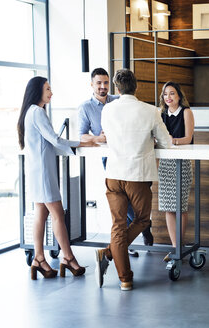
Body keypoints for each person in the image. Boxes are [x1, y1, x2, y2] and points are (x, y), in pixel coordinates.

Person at [95, 69, 171, 291]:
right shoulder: (150, 110)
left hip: (113, 174)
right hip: (137, 175)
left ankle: (125, 279)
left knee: (118, 225)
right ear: (136, 87)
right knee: (142, 220)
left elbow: (108, 136)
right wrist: (152, 141)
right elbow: (166, 143)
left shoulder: (107, 109)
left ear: (117, 89)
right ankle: (109, 253)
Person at [17, 76, 98, 280]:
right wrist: (81, 143)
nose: (51, 93)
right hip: (44, 172)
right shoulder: (37, 112)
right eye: (48, 89)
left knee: (41, 215)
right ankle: (68, 258)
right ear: (37, 91)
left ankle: (39, 259)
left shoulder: (31, 112)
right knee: (58, 214)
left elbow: (49, 142)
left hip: (37, 171)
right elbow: (54, 139)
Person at [78, 67, 153, 257]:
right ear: (91, 85)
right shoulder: (85, 108)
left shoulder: (119, 100)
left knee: (131, 196)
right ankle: (139, 229)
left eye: (105, 83)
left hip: (131, 155)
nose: (103, 87)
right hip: (109, 158)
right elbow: (81, 135)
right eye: (99, 83)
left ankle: (130, 236)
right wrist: (97, 138)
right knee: (123, 202)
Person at [158, 81, 195, 262]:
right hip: (165, 164)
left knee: (180, 206)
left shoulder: (186, 112)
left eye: (172, 93)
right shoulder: (161, 114)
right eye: (165, 94)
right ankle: (175, 248)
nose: (168, 97)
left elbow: (189, 138)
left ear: (179, 96)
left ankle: (179, 247)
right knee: (168, 207)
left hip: (181, 162)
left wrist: (173, 141)